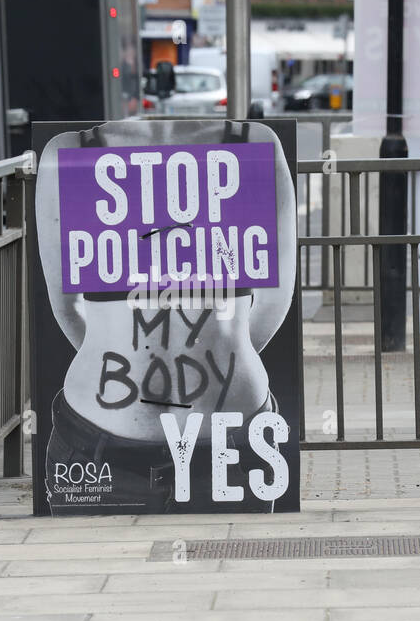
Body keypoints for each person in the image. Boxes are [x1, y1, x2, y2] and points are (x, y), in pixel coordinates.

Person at [34, 120, 296, 515]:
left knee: (95, 572)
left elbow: (67, 308)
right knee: (234, 571)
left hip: (107, 424)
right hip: (223, 428)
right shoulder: (253, 144)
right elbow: (276, 299)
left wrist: (124, 363)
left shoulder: (70, 154)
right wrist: (222, 361)